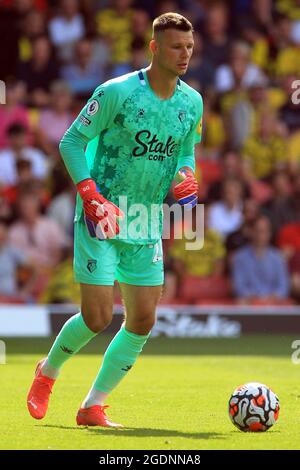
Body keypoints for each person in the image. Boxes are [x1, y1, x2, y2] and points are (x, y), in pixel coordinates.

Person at [27, 12, 203, 428]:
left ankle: (93, 406)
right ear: (154, 48)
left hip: (146, 219)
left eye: (190, 47)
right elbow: (71, 140)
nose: (185, 55)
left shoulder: (192, 102)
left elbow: (185, 152)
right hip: (101, 214)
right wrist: (89, 195)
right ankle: (47, 373)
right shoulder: (117, 92)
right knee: (97, 317)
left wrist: (187, 178)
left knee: (142, 319)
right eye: (177, 47)